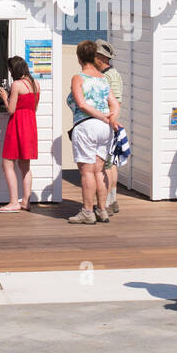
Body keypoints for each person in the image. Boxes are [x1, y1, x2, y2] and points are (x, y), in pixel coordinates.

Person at [66, 39, 118, 225]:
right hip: (104, 130)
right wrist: (110, 119)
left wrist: (101, 116)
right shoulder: (103, 79)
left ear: (79, 57)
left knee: (87, 171)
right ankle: (102, 209)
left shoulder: (79, 78)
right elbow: (114, 103)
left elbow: (81, 104)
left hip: (87, 126)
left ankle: (87, 211)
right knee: (99, 171)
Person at [0, 56, 39, 213]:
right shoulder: (35, 84)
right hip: (30, 125)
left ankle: (14, 201)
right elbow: (33, 107)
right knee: (25, 166)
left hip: (17, 125)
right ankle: (26, 201)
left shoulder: (17, 85)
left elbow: (11, 109)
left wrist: (4, 97)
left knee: (7, 163)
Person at [94, 39, 124, 216]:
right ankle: (112, 200)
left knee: (105, 165)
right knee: (110, 164)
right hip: (110, 122)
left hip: (106, 121)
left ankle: (106, 201)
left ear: (100, 57)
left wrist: (109, 120)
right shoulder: (113, 74)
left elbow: (116, 101)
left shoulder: (108, 76)